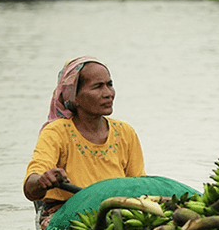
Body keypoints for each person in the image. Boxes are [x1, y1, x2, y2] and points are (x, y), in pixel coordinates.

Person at [23, 57, 146, 204]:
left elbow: (140, 183)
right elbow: (31, 186)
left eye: (109, 84)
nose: (108, 93)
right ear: (74, 97)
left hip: (114, 207)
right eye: (98, 86)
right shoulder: (56, 132)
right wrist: (42, 180)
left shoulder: (125, 132)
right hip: (67, 210)